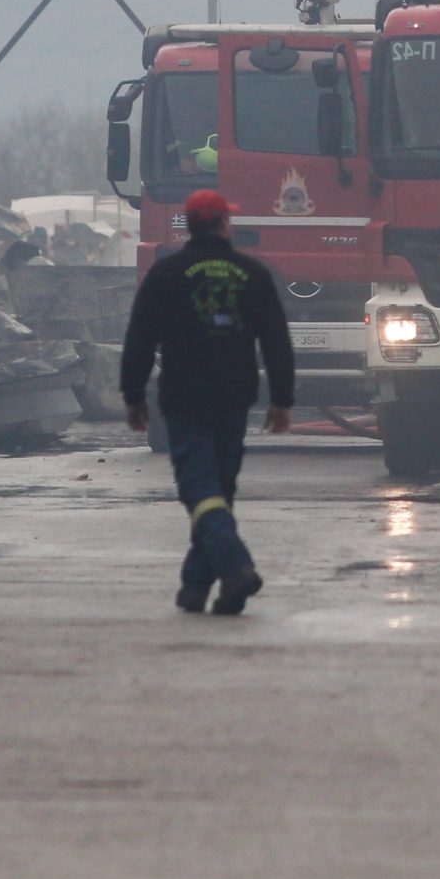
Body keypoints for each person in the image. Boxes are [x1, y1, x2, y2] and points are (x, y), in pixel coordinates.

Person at [121, 190, 293, 614]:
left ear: (190, 225)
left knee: (201, 489)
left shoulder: (166, 274)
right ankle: (196, 587)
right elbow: (275, 339)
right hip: (234, 397)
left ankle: (235, 568)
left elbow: (139, 338)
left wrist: (133, 394)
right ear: (223, 224)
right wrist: (282, 399)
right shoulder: (251, 272)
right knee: (217, 489)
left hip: (184, 397)